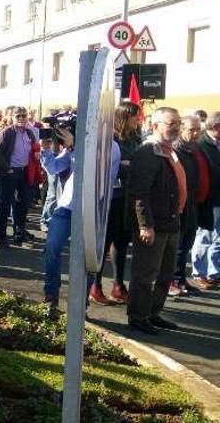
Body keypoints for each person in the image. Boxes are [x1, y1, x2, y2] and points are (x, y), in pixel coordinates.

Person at [42, 128, 121, 311]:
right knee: (51, 248)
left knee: (87, 257)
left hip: (91, 210)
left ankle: (80, 304)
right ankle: (51, 295)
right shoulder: (80, 143)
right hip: (66, 207)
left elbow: (94, 172)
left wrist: (74, 147)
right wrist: (46, 148)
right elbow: (54, 168)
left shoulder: (112, 147)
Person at [127, 107, 185, 335]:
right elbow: (139, 193)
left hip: (171, 223)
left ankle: (153, 312)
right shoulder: (148, 152)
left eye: (177, 123)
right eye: (171, 124)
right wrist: (145, 225)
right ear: (155, 125)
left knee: (166, 273)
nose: (176, 128)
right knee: (145, 273)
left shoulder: (170, 150)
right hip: (155, 225)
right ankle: (138, 316)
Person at [91, 101, 143, 304]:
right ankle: (95, 285)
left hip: (129, 196)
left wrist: (129, 165)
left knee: (122, 241)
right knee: (104, 242)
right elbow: (107, 165)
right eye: (134, 116)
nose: (138, 120)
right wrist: (125, 166)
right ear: (123, 117)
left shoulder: (136, 138)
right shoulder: (110, 138)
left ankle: (119, 285)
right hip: (111, 197)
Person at [170, 115, 207, 296]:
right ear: (181, 128)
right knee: (178, 243)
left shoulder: (194, 148)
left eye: (198, 129)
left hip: (192, 200)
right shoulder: (176, 149)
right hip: (179, 202)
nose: (195, 133)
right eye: (191, 129)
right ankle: (172, 280)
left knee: (187, 242)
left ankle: (180, 277)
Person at [0, 107, 39, 248]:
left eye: (23, 116)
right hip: (10, 173)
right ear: (12, 117)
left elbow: (34, 150)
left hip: (25, 172)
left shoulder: (30, 133)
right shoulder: (7, 132)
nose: (21, 118)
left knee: (23, 205)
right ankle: (1, 237)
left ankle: (19, 235)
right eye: (18, 116)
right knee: (5, 205)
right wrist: (7, 169)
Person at [190, 111, 220, 289]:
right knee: (205, 236)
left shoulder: (215, 144)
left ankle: (213, 271)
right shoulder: (201, 145)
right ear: (216, 127)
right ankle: (199, 272)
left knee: (218, 239)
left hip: (218, 198)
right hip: (209, 199)